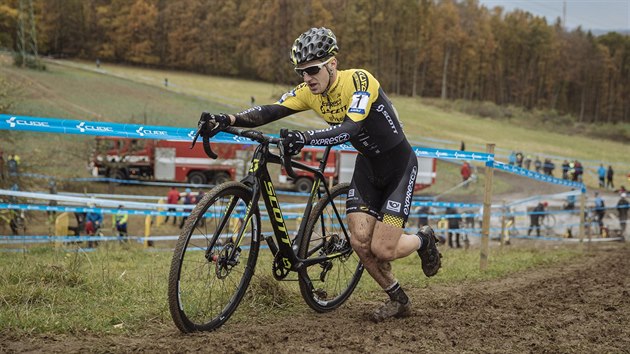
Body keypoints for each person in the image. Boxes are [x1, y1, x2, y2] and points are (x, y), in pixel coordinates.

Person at [196, 27, 441, 322]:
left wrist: (305, 137)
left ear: (332, 64)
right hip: (368, 167)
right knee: (360, 242)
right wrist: (227, 119)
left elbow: (351, 129)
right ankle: (398, 299)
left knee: (383, 248)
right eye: (301, 72)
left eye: (313, 70)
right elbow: (270, 111)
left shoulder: (360, 81)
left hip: (399, 166)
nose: (307, 78)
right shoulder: (308, 92)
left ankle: (423, 240)